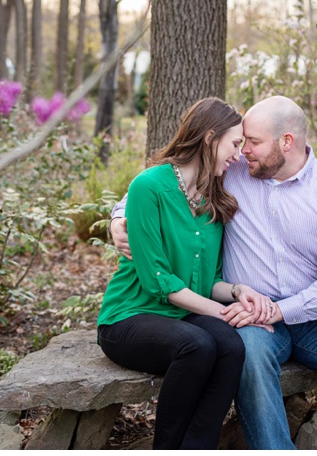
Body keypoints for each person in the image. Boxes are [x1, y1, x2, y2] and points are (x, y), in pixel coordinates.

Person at [111, 95, 317, 450]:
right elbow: (158, 187)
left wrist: (282, 309)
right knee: (250, 360)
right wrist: (118, 219)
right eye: (241, 142)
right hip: (250, 311)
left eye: (253, 142)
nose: (243, 152)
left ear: (286, 142)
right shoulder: (232, 172)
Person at [97, 97, 274, 450]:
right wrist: (229, 315)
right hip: (130, 316)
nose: (238, 154)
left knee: (229, 345)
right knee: (197, 344)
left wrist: (239, 292)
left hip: (180, 314)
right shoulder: (149, 187)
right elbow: (157, 281)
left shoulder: (213, 199)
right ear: (210, 137)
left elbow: (209, 281)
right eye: (234, 143)